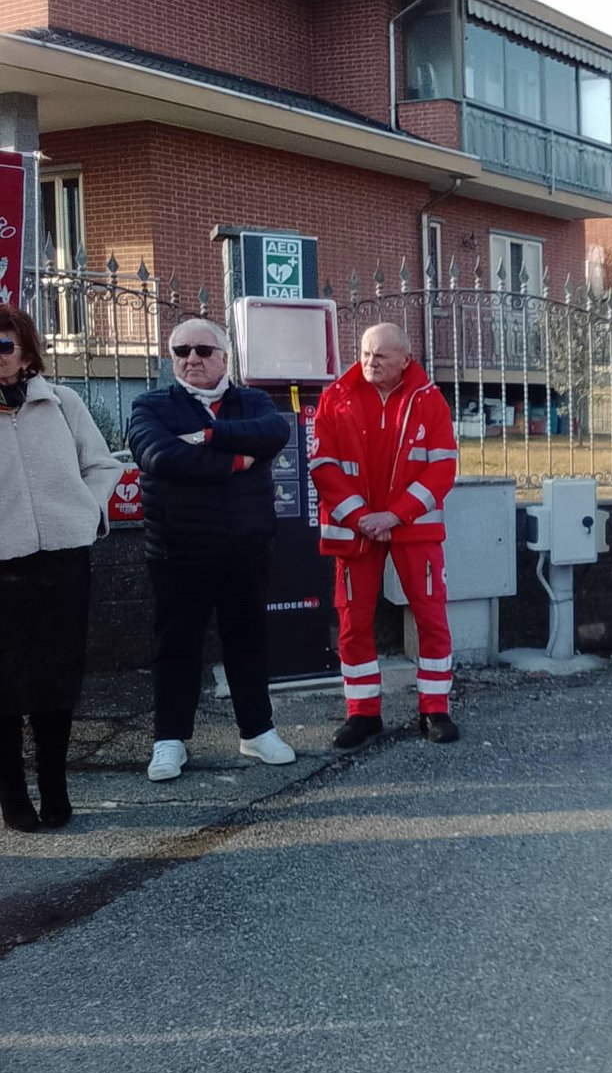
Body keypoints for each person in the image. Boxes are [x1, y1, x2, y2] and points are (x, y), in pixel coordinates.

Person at [128, 317, 296, 782]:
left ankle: (257, 731)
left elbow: (274, 434)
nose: (192, 359)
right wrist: (239, 459)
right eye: (181, 351)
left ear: (224, 357)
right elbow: (159, 457)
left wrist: (207, 437)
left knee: (248, 641)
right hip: (178, 552)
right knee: (176, 646)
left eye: (203, 350)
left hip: (245, 549)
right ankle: (169, 740)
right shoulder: (150, 405)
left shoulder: (253, 401)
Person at [0, 307, 122, 831]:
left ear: (26, 350)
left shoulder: (62, 402)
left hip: (62, 564)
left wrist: (88, 512)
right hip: (2, 566)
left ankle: (54, 785)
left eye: (3, 345)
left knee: (57, 681)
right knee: (5, 687)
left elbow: (102, 465)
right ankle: (12, 795)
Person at [310, 323, 460, 748]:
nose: (369, 362)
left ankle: (435, 709)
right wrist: (361, 518)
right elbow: (323, 466)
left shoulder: (429, 399)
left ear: (405, 360)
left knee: (431, 618)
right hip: (354, 530)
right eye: (365, 353)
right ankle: (362, 713)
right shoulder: (335, 397)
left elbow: (442, 467)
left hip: (413, 528)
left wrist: (395, 515)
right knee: (353, 621)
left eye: (381, 355)